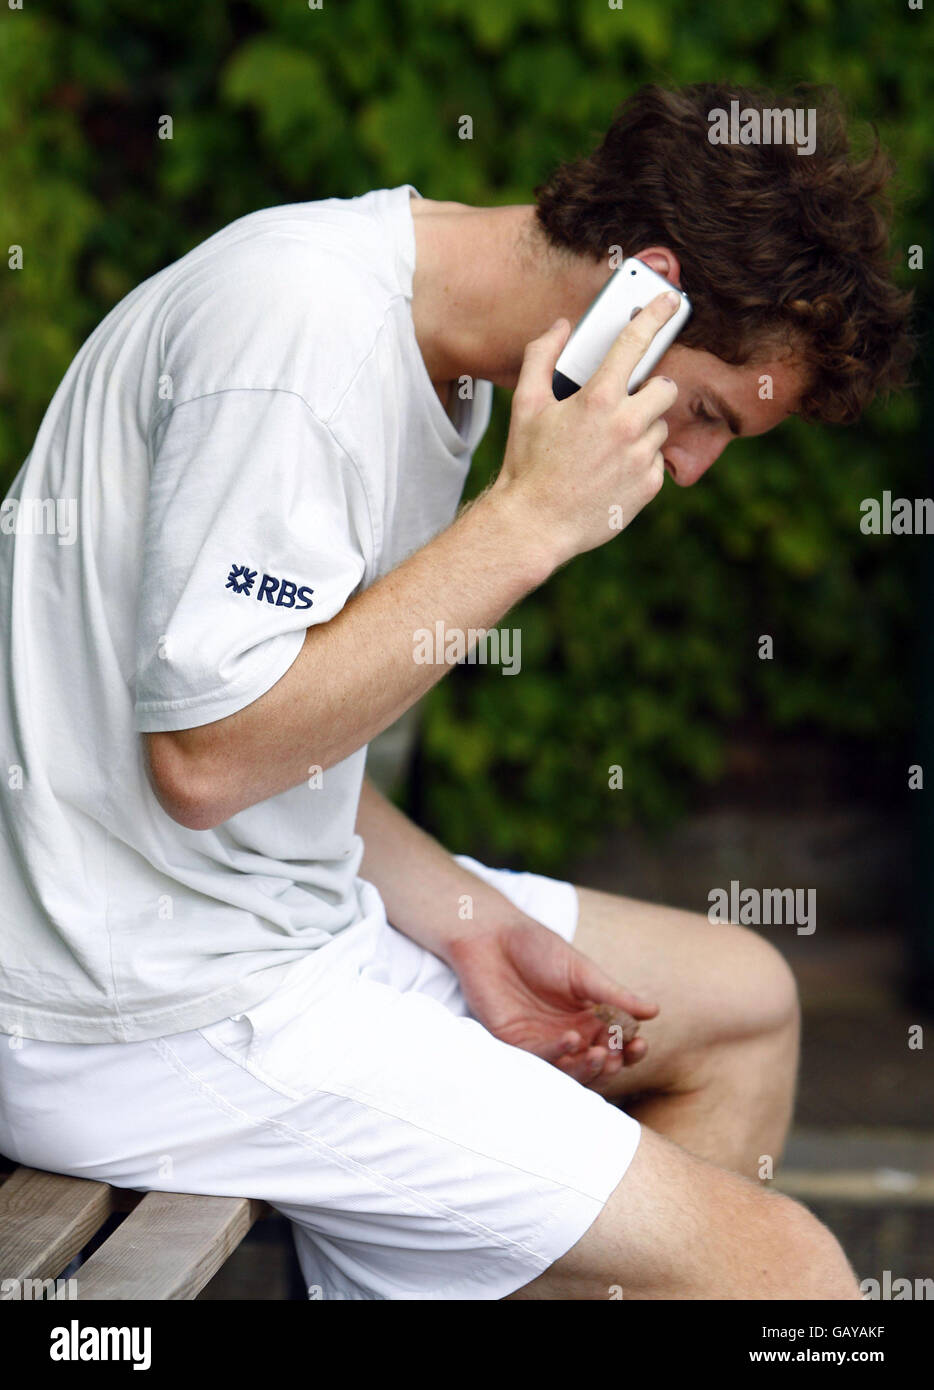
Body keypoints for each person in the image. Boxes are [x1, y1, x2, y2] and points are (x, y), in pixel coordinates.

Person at [0, 83, 912, 1299]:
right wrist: (524, 523)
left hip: (262, 932)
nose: (688, 467)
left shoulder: (447, 361)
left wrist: (472, 927)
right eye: (701, 412)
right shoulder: (300, 333)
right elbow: (208, 758)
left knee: (745, 1000)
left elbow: (290, 747)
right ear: (645, 287)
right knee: (789, 1274)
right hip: (136, 1006)